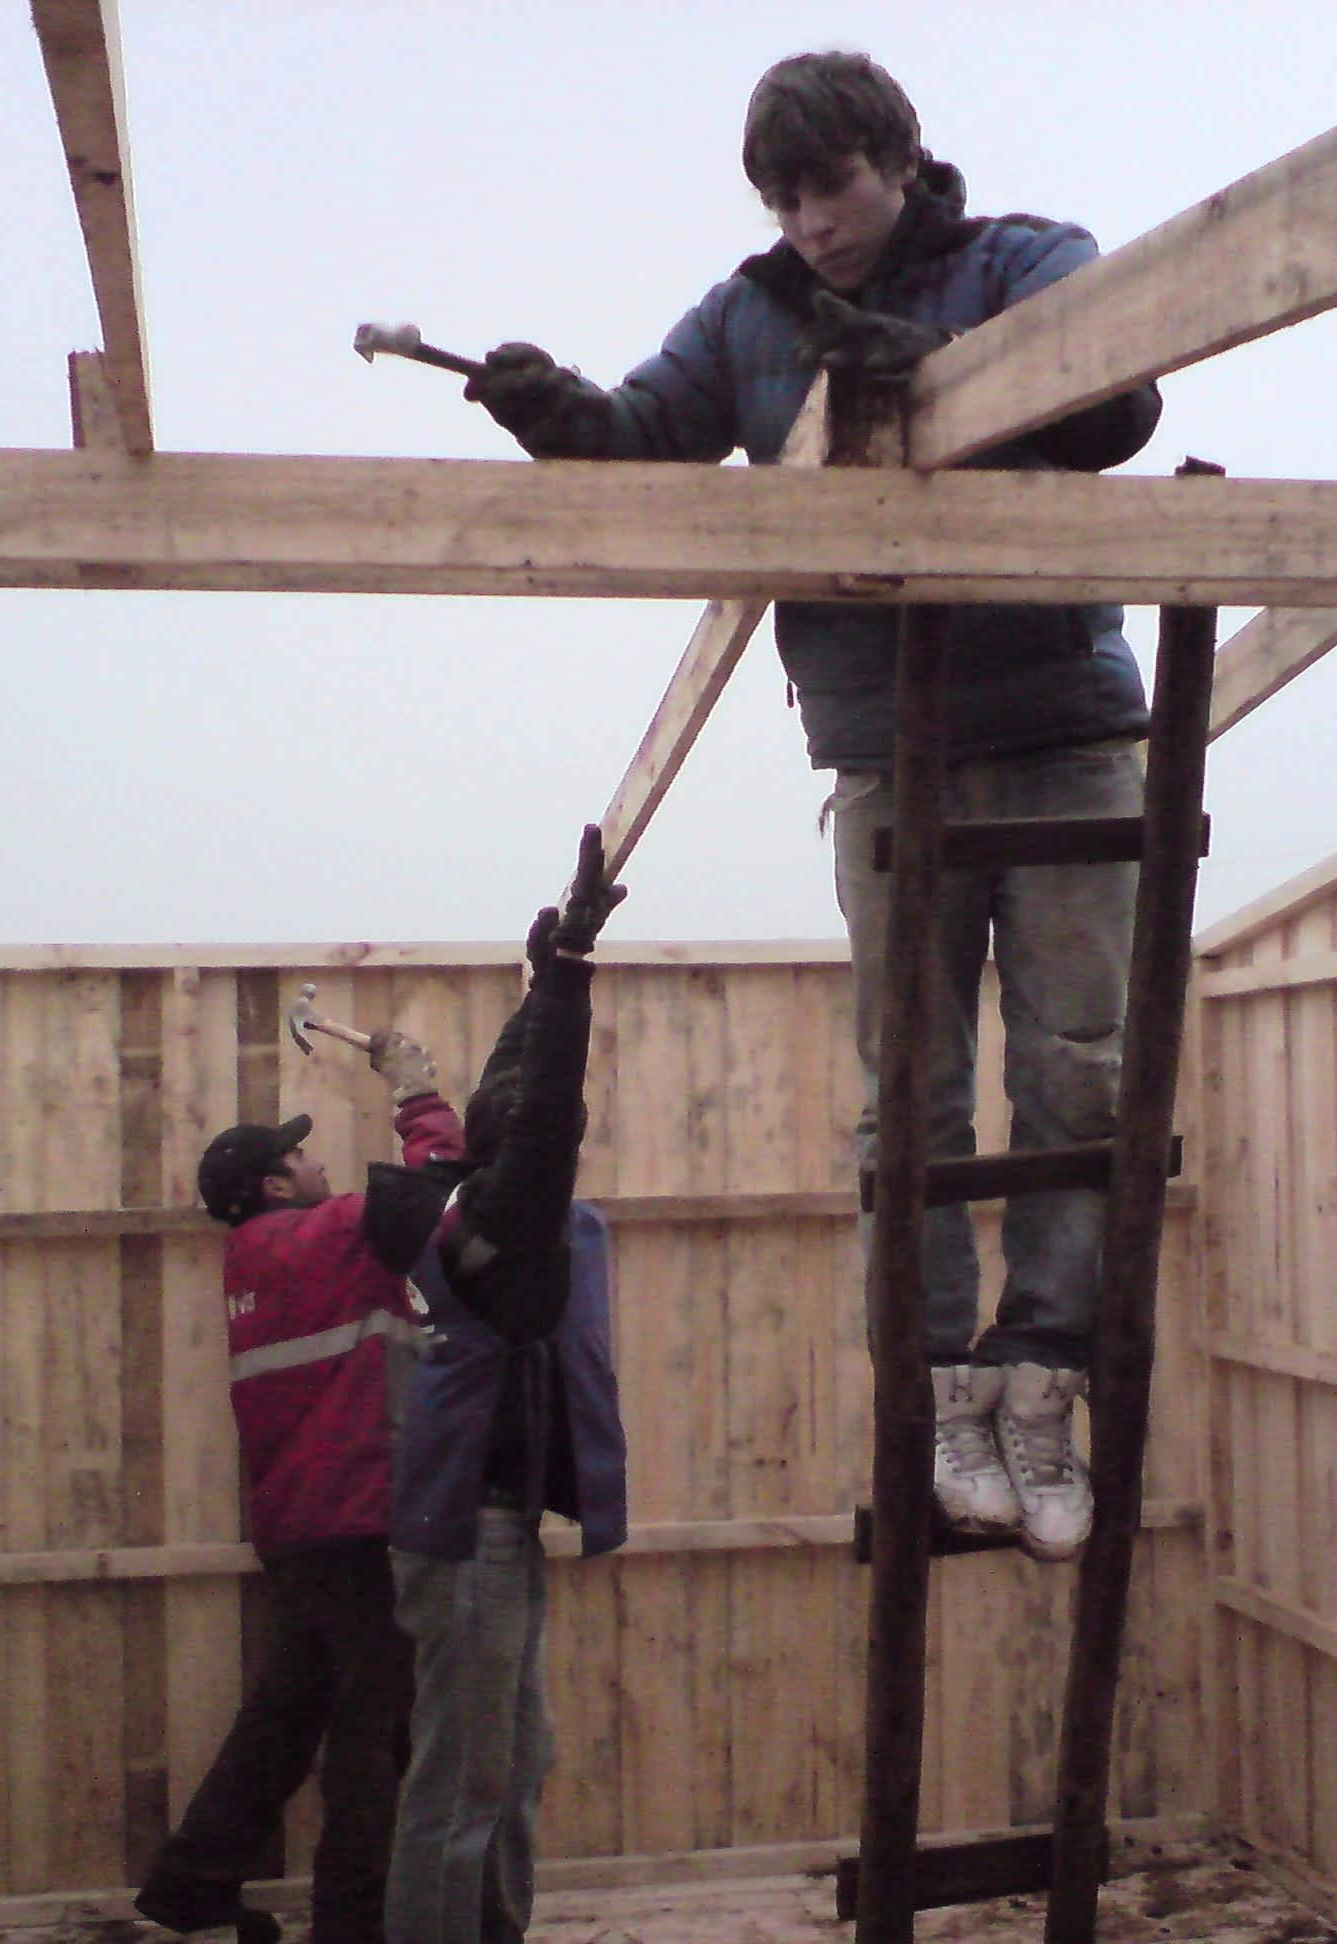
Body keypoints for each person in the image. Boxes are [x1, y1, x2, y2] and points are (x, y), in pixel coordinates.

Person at [458, 52, 1163, 1563]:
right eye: (784, 198)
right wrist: (557, 413)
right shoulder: (753, 315)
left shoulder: (1023, 261)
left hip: (1059, 728)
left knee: (1078, 1077)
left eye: (829, 185)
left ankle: (1035, 1385)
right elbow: (653, 441)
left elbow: (1121, 409)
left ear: (900, 157)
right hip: (884, 753)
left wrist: (942, 369)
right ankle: (936, 1394)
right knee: (905, 1094)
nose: (812, 223)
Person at [134, 1027, 466, 1944]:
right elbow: (434, 1186)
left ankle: (193, 1882)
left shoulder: (251, 1261)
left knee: (283, 1717)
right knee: (375, 1732)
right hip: (359, 1524)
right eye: (300, 1156)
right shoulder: (321, 1237)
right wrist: (417, 1095)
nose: (316, 1164)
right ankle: (352, 1926)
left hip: (297, 1530)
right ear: (276, 1185)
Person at [380, 826, 629, 1944]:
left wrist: (540, 984)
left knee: (517, 1761)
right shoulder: (499, 1231)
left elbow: (517, 1095)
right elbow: (544, 1117)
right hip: (468, 1540)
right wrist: (571, 978)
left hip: (495, 1534)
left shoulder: (474, 1203)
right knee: (466, 1786)